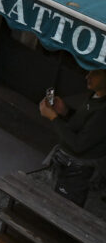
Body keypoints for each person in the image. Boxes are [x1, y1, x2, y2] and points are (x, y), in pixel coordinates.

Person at [38, 69, 106, 206]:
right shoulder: (94, 96)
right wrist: (65, 112)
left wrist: (53, 118)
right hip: (65, 160)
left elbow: (79, 144)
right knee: (48, 202)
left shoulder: (103, 111)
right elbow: (83, 126)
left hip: (79, 170)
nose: (88, 76)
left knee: (62, 208)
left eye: (95, 73)